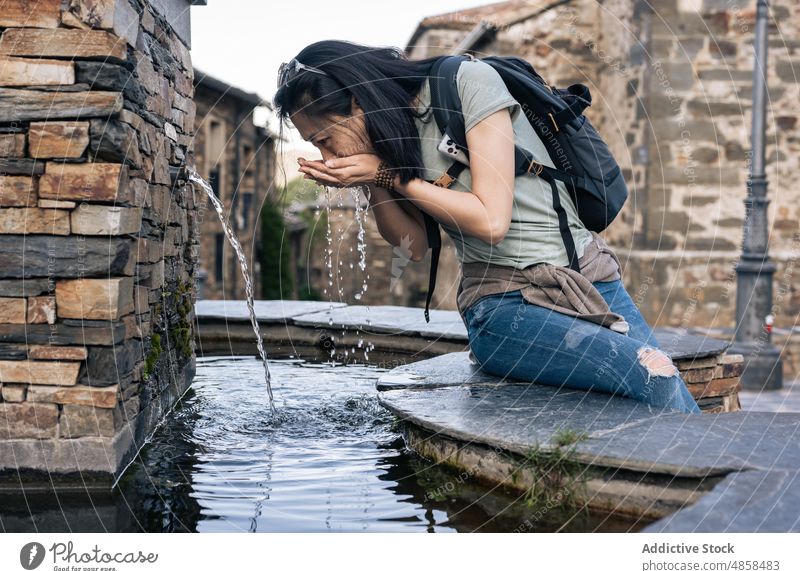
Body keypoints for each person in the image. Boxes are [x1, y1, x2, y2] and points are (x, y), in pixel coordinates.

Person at [272, 39, 701, 415]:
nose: (326, 158)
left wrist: (389, 176)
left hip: (591, 280)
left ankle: (706, 498)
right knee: (652, 376)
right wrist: (374, 178)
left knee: (660, 378)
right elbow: (414, 245)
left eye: (325, 140)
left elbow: (492, 220)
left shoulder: (464, 82)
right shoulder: (390, 142)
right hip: (502, 307)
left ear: (357, 103)